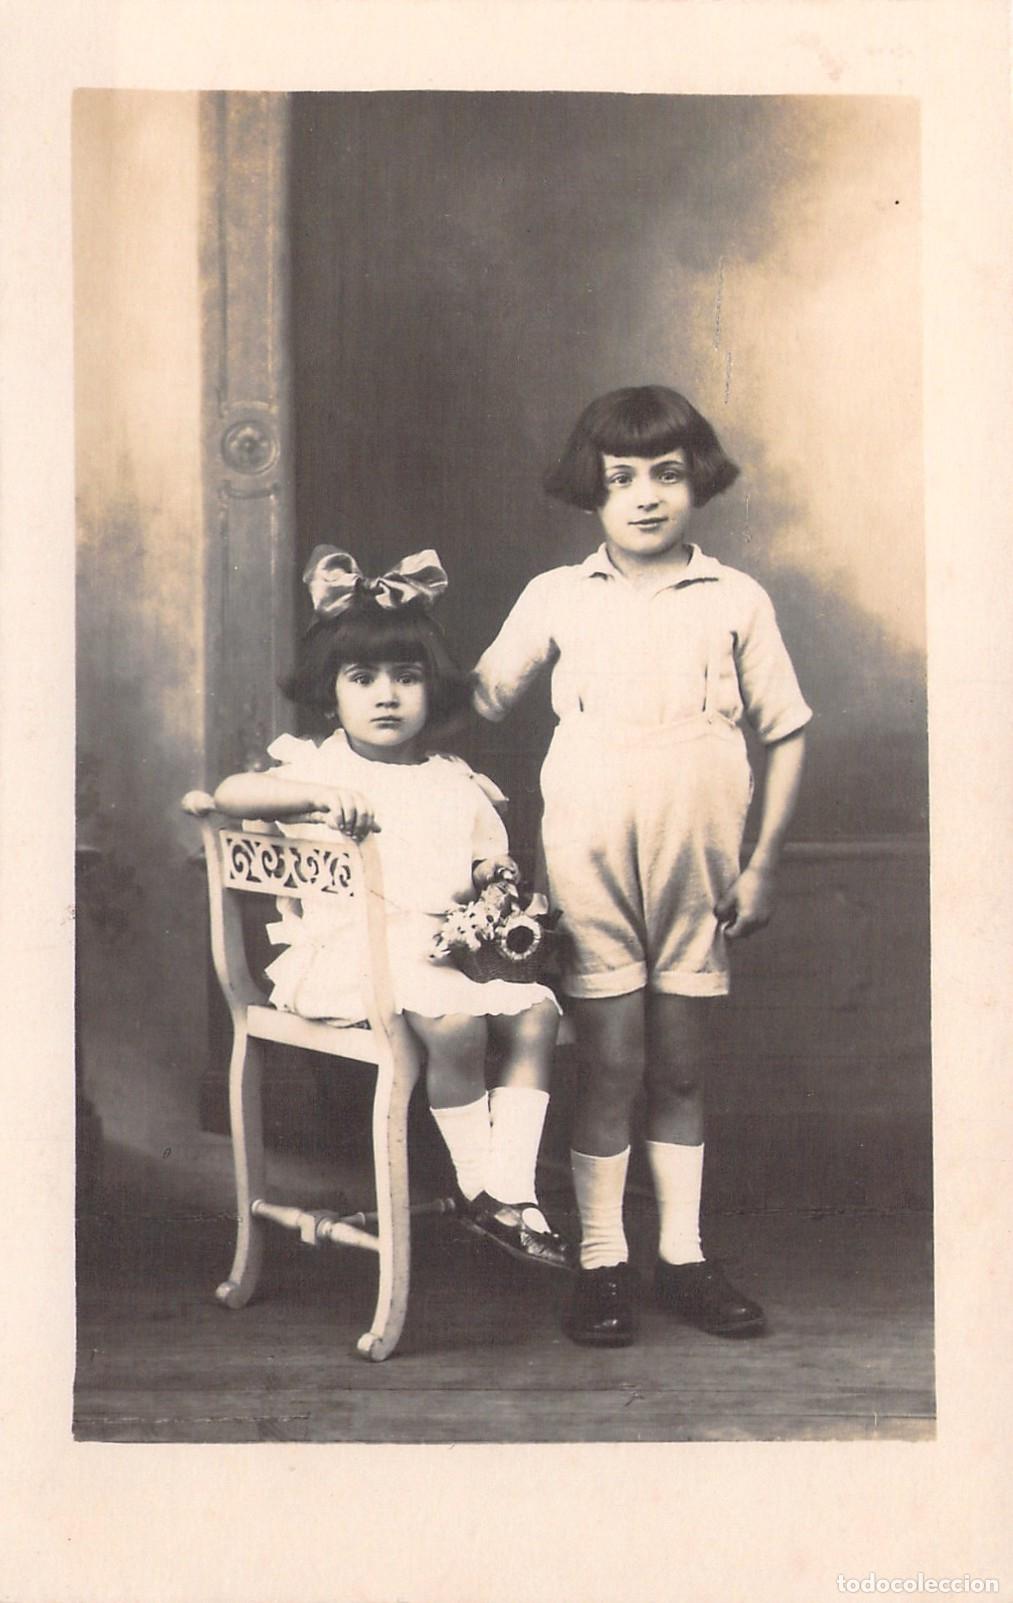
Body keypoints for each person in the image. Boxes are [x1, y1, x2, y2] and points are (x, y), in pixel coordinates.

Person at [472, 385, 811, 1344]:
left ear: (696, 478)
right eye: (622, 479)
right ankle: (600, 1263)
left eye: (667, 474)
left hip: (698, 865)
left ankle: (683, 1258)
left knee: (682, 1068)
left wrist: (764, 864)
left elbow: (785, 734)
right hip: (588, 857)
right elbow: (484, 699)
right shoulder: (555, 595)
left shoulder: (736, 597)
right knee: (612, 1064)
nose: (647, 497)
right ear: (593, 488)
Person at [213, 546, 571, 1271]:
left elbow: (480, 857)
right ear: (331, 690)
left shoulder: (452, 781)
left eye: (406, 679)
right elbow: (228, 797)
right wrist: (311, 798)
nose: (386, 695)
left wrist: (493, 874)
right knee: (459, 1022)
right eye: (363, 678)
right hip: (351, 959)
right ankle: (487, 1191)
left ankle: (508, 1191)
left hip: (438, 952)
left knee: (537, 1011)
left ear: (429, 690)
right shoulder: (319, 768)